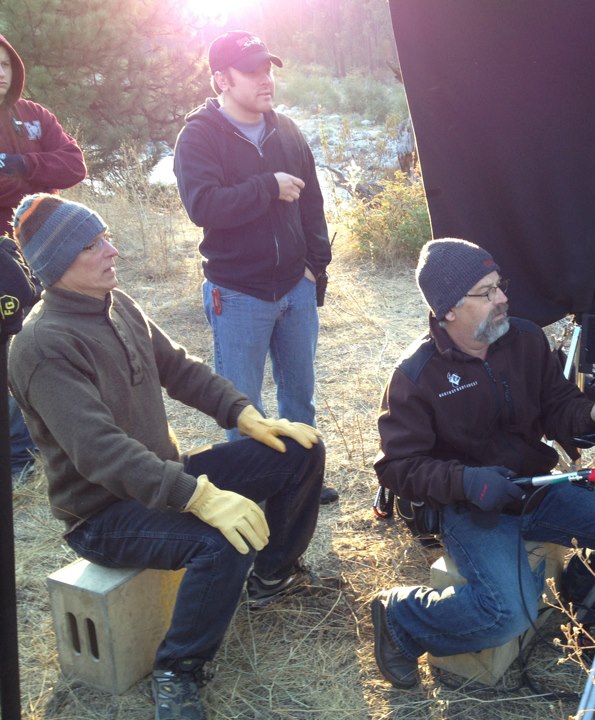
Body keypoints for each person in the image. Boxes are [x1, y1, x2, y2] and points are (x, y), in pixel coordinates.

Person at [8, 194, 328, 720]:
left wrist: (245, 415)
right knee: (221, 540)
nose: (112, 250)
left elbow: (179, 369)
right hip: (102, 513)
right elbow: (99, 452)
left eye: (106, 235)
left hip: (163, 479)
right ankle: (178, 670)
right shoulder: (42, 345)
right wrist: (198, 496)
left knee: (298, 449)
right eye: (94, 245)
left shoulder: (118, 302)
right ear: (58, 263)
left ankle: (273, 576)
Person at [370, 238, 595, 688]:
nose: (503, 298)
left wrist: (591, 415)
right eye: (487, 291)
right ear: (448, 309)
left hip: (537, 488)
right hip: (470, 508)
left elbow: (557, 406)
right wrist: (467, 482)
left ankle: (579, 596)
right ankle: (401, 615)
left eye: (500, 285)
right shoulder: (416, 375)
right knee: (506, 614)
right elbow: (397, 466)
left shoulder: (525, 338)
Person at [173, 31, 337, 504]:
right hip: (238, 292)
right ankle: (252, 490)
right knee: (241, 403)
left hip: (295, 288)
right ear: (221, 79)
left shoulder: (286, 128)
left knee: (299, 394)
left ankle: (302, 477)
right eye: (253, 71)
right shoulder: (200, 136)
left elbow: (313, 204)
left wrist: (315, 267)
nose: (266, 80)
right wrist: (267, 185)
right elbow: (203, 206)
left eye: (268, 69)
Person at [0, 32, 87, 483]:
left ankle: (66, 438)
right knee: (11, 348)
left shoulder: (34, 115)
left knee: (59, 342)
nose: (0, 71)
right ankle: (20, 455)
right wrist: (25, 182)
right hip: (1, 252)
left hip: (48, 247)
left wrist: (23, 166)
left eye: (5, 63)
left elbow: (75, 165)